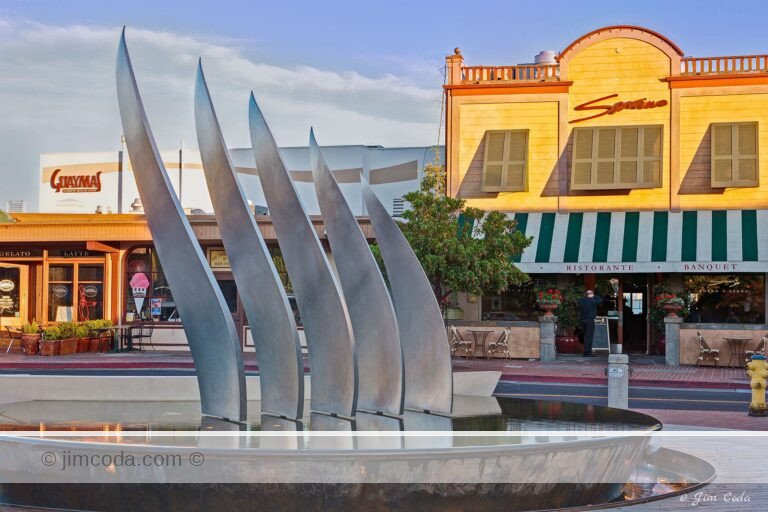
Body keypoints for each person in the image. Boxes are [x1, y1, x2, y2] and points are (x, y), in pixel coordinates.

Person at [579, 289, 603, 357]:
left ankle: (587, 351)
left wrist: (590, 295)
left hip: (583, 320)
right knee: (589, 336)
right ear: (590, 294)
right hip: (590, 321)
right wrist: (594, 296)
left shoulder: (581, 300)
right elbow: (600, 300)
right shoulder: (592, 301)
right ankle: (587, 352)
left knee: (585, 336)